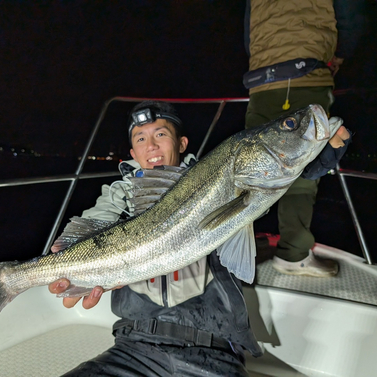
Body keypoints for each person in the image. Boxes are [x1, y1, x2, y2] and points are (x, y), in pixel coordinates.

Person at [50, 100, 261, 376]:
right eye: (141, 138)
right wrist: (66, 268)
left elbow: (260, 185)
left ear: (182, 143)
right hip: (132, 348)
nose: (151, 146)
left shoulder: (217, 180)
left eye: (161, 134)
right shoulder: (119, 195)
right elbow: (93, 223)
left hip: (213, 350)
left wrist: (313, 162)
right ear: (132, 152)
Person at [243, 0, 364, 277]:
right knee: (300, 175)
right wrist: (337, 59)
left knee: (250, 172)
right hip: (305, 77)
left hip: (260, 84)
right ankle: (293, 254)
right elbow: (352, 21)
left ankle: (234, 250)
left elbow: (249, 34)